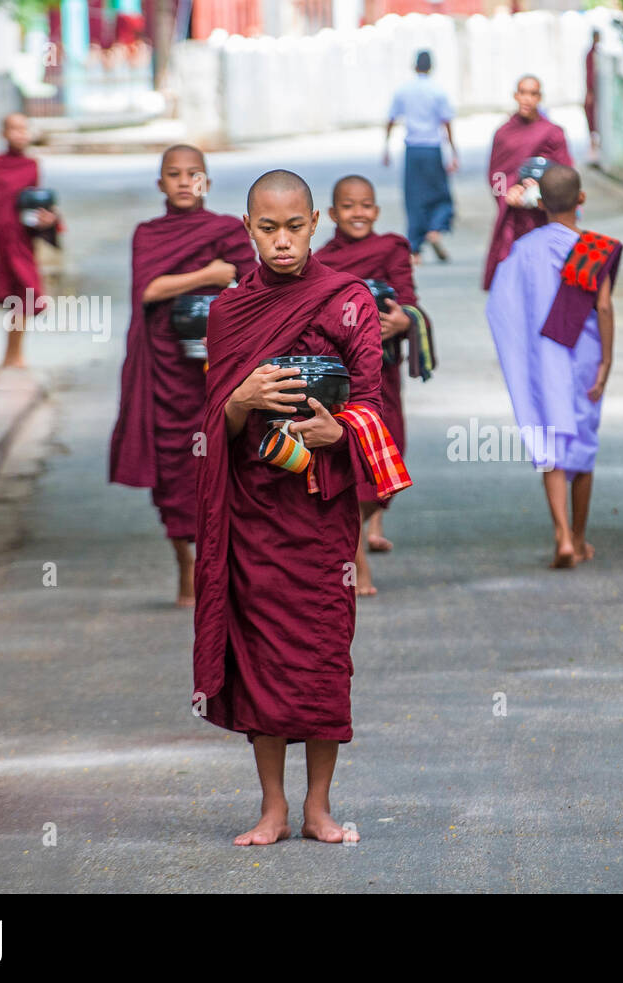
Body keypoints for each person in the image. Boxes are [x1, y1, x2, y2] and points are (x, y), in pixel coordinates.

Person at [193, 169, 411, 846]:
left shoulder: (347, 300)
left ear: (314, 222)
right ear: (248, 227)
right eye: (267, 228)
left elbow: (373, 400)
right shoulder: (230, 311)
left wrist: (338, 430)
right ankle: (272, 806)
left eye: (293, 226)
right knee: (259, 653)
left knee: (320, 655)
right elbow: (209, 431)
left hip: (320, 513)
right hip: (256, 511)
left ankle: (318, 806)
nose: (281, 242)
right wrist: (240, 398)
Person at [108, 145, 255, 607]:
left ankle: (222, 566)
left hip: (217, 369)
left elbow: (252, 289)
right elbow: (148, 290)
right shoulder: (148, 234)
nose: (185, 182)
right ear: (161, 185)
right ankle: (184, 565)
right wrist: (207, 274)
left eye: (194, 174)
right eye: (174, 174)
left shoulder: (228, 228)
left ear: (207, 181)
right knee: (174, 472)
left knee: (224, 466)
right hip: (167, 368)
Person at [487, 164, 618, 568]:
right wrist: (608, 361)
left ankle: (560, 533)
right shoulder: (594, 248)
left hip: (544, 364)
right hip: (584, 361)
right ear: (581, 199)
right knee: (582, 449)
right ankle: (579, 538)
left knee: (551, 450)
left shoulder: (524, 249)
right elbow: (604, 306)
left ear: (540, 203)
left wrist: (521, 353)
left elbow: (501, 307)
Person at [315, 174, 435, 597]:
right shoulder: (322, 259)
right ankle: (354, 558)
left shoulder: (391, 248)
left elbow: (408, 298)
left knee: (389, 458)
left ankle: (355, 530)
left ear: (377, 211)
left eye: (366, 205)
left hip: (382, 371)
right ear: (332, 214)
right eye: (348, 206)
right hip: (340, 377)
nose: (358, 213)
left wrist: (406, 319)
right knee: (352, 460)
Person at [0, 113, 61, 368]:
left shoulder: (31, 165)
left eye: (24, 129)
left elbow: (31, 203)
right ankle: (1, 356)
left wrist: (49, 220)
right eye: (14, 129)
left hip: (20, 240)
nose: (20, 134)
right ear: (3, 133)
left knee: (26, 295)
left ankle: (14, 353)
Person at [482, 75, 573, 289]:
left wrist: (545, 193)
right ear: (515, 95)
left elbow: (565, 172)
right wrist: (506, 194)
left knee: (547, 274)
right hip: (514, 218)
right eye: (523, 93)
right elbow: (495, 175)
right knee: (513, 272)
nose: (527, 99)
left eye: (533, 94)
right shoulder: (504, 133)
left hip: (545, 214)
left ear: (540, 97)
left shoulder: (552, 132)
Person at [384, 50, 458, 263]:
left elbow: (391, 119)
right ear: (431, 66)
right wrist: (453, 152)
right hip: (433, 149)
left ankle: (415, 249)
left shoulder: (403, 91)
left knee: (413, 198)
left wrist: (386, 147)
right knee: (441, 194)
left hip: (413, 150)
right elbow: (447, 123)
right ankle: (435, 229)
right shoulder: (438, 92)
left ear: (414, 66)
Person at [584, 30, 601, 162]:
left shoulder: (598, 53)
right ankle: (593, 144)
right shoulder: (591, 54)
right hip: (593, 92)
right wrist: (590, 91)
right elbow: (589, 74)